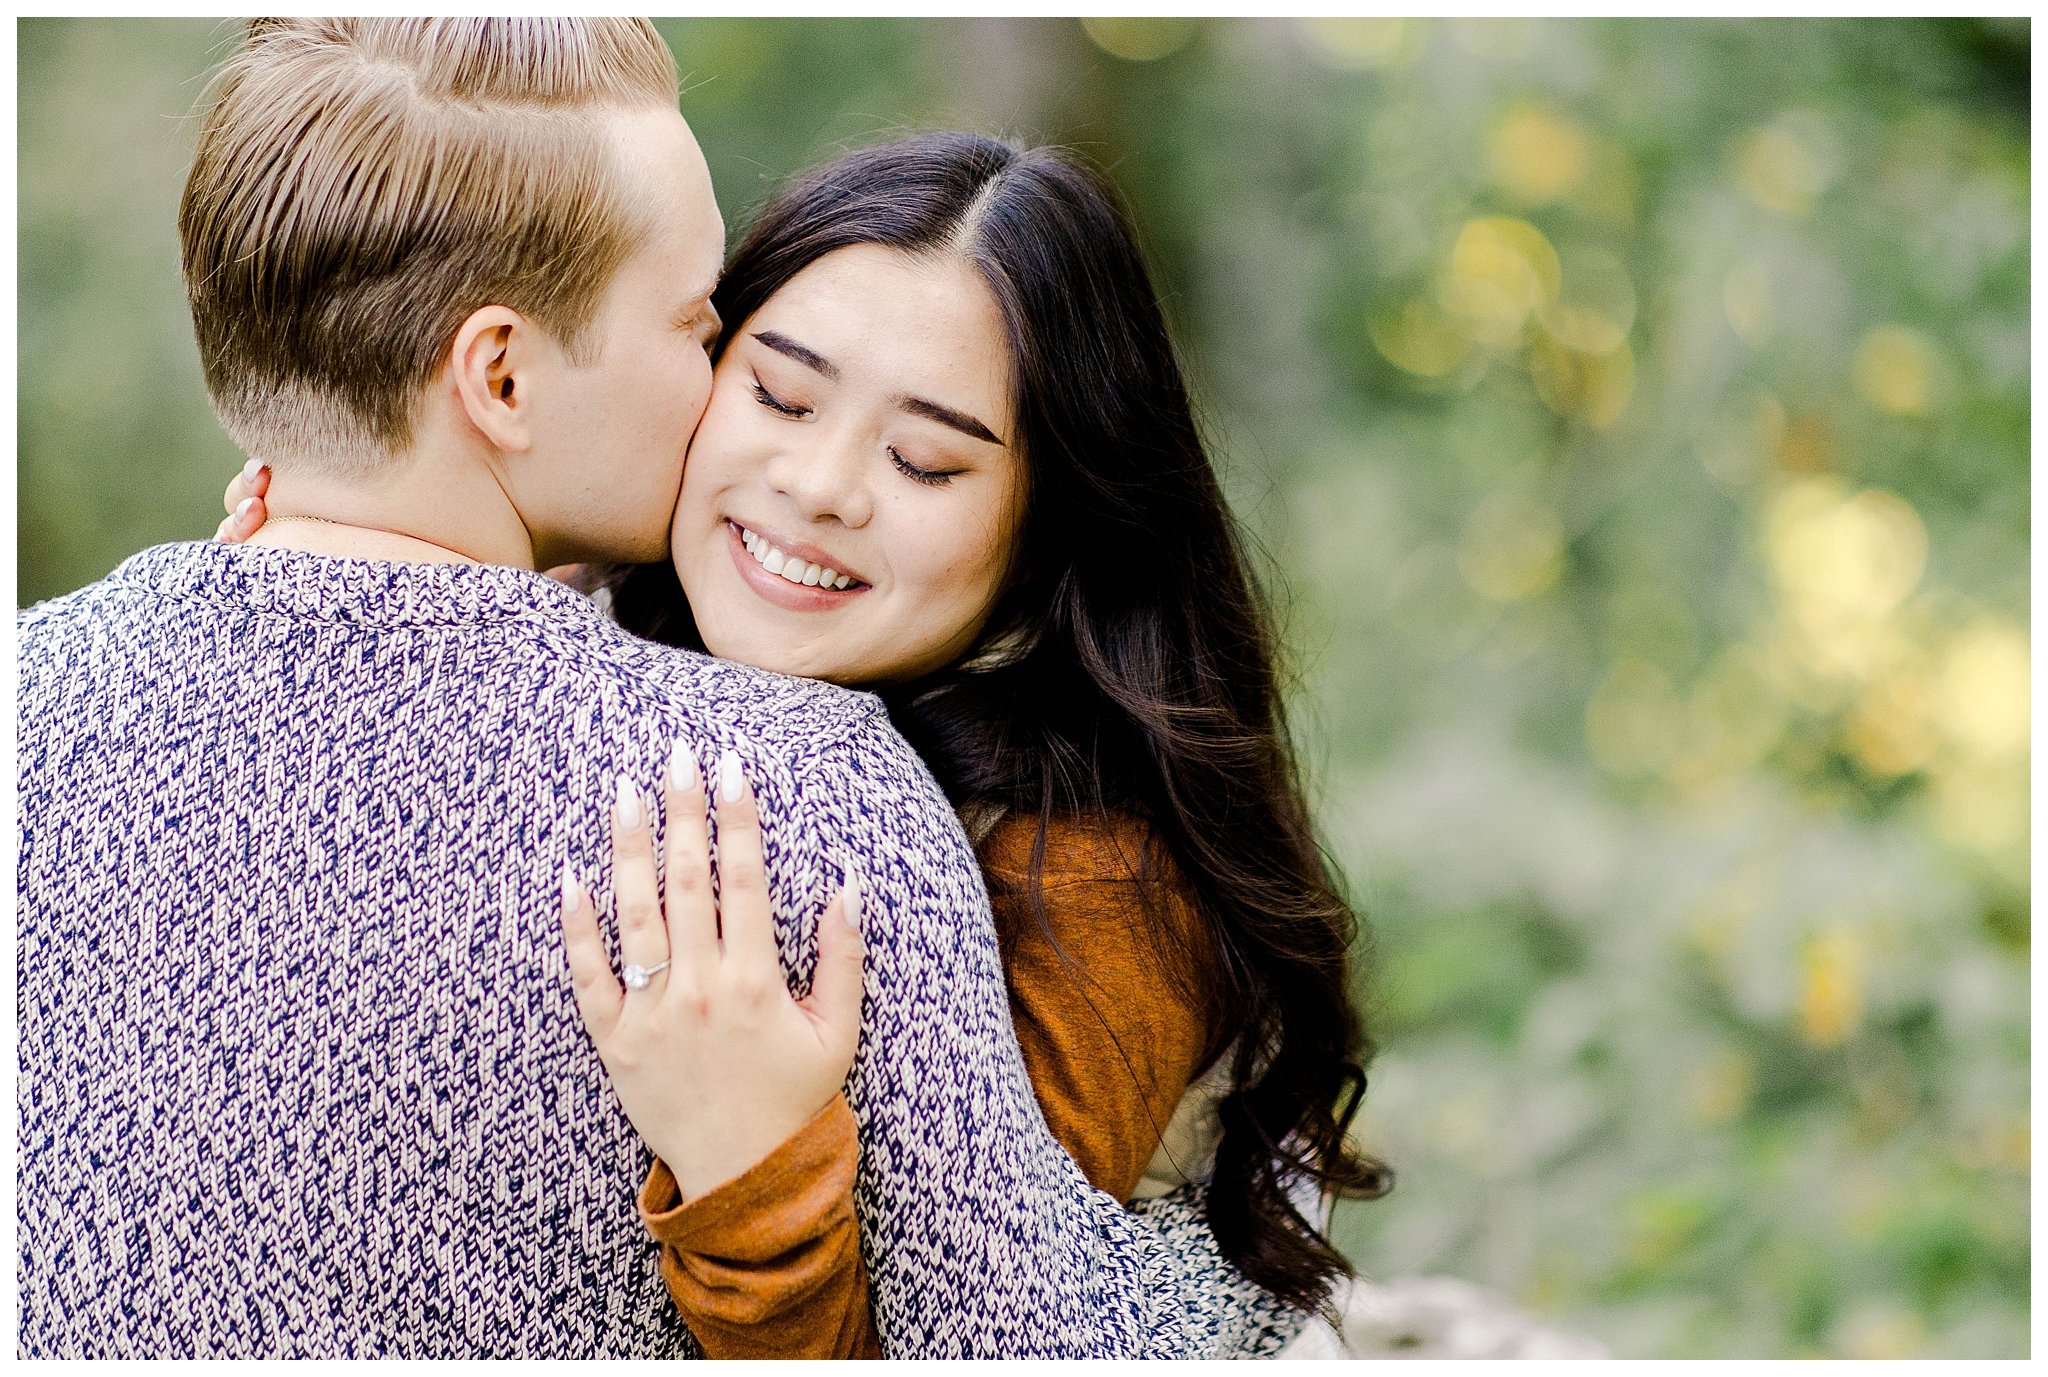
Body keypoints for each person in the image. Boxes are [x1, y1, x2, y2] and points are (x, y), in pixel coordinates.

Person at [15, 18, 1301, 1358]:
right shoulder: (762, 747)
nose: (816, 486)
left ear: (1051, 529)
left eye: (928, 464)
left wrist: (762, 1187)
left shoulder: (1081, 874)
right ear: (501, 377)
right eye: (744, 366)